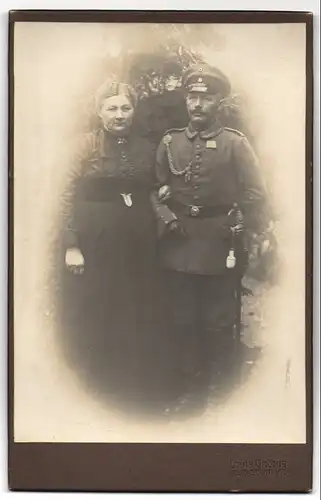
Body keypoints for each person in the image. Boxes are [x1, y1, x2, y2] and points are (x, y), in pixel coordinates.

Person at [151, 64, 271, 412]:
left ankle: (222, 389)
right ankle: (191, 386)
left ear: (219, 101)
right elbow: (156, 192)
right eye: (192, 97)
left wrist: (239, 223)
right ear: (186, 100)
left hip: (220, 245)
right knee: (183, 318)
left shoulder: (235, 143)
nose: (198, 104)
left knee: (218, 320)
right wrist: (168, 218)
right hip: (179, 243)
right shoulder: (170, 142)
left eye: (206, 98)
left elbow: (255, 193)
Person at [61, 80, 168, 413]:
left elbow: (155, 188)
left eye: (125, 108)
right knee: (98, 309)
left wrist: (162, 194)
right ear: (99, 111)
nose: (119, 115)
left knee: (136, 309)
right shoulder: (84, 146)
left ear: (134, 111)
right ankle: (95, 387)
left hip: (137, 243)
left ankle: (133, 386)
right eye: (112, 107)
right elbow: (64, 197)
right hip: (96, 243)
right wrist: (71, 244)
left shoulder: (147, 147)